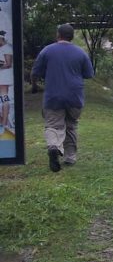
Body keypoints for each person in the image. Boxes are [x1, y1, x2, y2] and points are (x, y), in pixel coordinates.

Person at [30, 24, 94, 172]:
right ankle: (70, 158)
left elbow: (35, 73)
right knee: (71, 125)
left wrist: (34, 86)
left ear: (58, 35)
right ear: (71, 36)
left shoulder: (47, 50)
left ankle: (54, 146)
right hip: (74, 96)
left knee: (53, 125)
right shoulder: (81, 52)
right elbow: (89, 74)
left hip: (53, 95)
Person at [0, 30, 14, 135]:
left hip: (4, 76)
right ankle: (3, 120)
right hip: (2, 75)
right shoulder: (3, 48)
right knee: (3, 98)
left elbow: (8, 63)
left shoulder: (7, 48)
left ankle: (4, 122)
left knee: (4, 97)